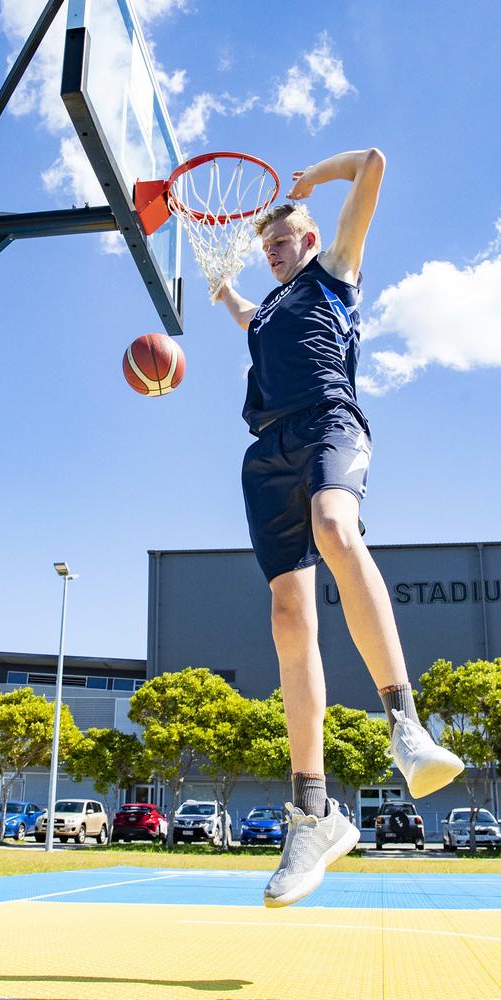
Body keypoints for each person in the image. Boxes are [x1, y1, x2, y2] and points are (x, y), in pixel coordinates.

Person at [216, 149, 464, 907]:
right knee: (289, 619)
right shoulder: (266, 314)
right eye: (268, 246)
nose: (275, 249)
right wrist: (215, 276)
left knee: (334, 522)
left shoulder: (335, 274)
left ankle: (405, 726)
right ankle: (313, 814)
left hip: (330, 424)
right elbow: (240, 307)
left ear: (314, 241)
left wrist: (308, 184)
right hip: (267, 455)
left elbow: (377, 164)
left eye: (285, 239)